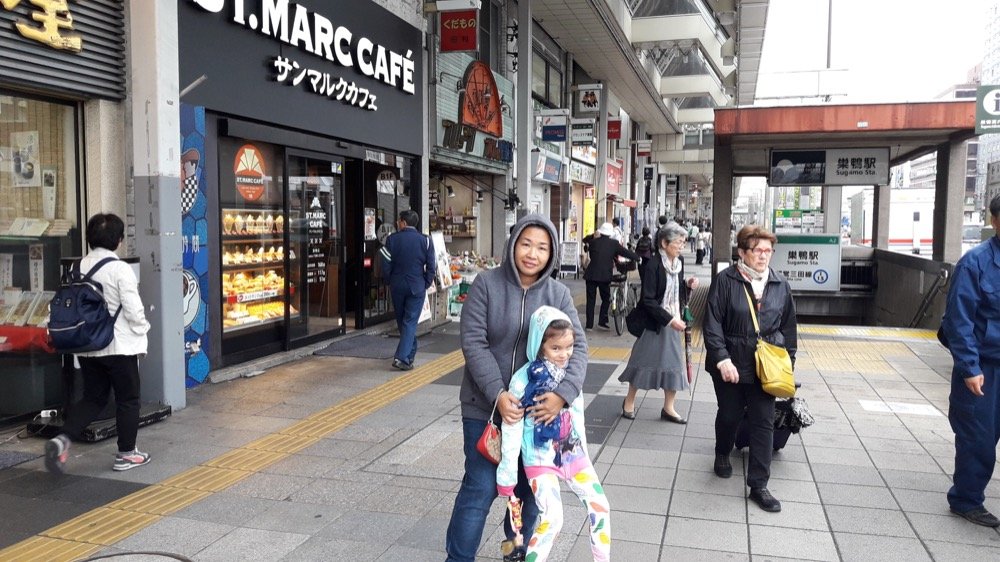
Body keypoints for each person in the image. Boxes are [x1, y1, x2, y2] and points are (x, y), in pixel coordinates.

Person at [446, 214, 588, 562]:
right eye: (526, 244)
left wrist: (561, 395)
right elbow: (473, 343)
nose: (532, 253)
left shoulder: (558, 294)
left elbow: (579, 347)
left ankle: (516, 553)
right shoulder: (486, 284)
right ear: (513, 244)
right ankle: (458, 558)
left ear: (551, 253)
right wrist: (498, 393)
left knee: (526, 493)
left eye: (542, 247)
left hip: (537, 415)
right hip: (486, 408)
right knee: (479, 487)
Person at [498, 306, 610, 561]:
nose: (564, 354)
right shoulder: (523, 379)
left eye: (569, 346)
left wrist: (584, 450)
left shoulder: (570, 376)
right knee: (553, 519)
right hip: (539, 459)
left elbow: (577, 416)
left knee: (600, 507)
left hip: (572, 453)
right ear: (540, 346)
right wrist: (507, 474)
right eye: (556, 348)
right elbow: (512, 427)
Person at [45, 213, 152, 474]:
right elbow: (133, 310)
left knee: (94, 398)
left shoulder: (77, 267)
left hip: (89, 346)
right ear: (118, 240)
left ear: (89, 239)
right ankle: (127, 454)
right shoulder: (119, 269)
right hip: (120, 347)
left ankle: (62, 439)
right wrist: (143, 330)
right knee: (128, 399)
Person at [703, 225, 797, 513]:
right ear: (742, 252)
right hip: (730, 364)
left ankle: (759, 485)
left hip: (765, 368)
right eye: (758, 250)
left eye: (768, 250)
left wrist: (786, 363)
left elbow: (789, 327)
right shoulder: (725, 280)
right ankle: (722, 453)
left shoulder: (780, 284)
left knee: (763, 423)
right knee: (730, 414)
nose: (764, 256)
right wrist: (721, 358)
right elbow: (713, 323)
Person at [942, 194, 1000, 527]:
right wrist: (970, 367)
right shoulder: (975, 263)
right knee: (978, 436)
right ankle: (966, 499)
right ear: (994, 220)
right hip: (984, 367)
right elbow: (958, 321)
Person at [619, 222, 699, 423]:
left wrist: (687, 284)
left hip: (673, 320)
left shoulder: (679, 261)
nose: (681, 246)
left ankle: (668, 407)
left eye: (683, 242)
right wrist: (669, 319)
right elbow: (648, 300)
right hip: (655, 322)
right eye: (678, 242)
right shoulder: (653, 264)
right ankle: (629, 401)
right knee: (641, 360)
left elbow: (675, 287)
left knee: (674, 364)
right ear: (664, 243)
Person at [379, 209, 436, 371]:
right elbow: (432, 266)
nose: (397, 223)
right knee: (409, 322)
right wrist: (425, 282)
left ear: (403, 222)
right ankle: (403, 357)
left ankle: (407, 356)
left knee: (403, 321)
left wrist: (390, 280)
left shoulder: (392, 240)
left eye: (398, 221)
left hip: (397, 286)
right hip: (416, 286)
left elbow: (385, 263)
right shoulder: (425, 241)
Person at [582, 222, 639, 330]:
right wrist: (637, 257)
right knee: (605, 299)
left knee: (590, 300)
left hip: (591, 274)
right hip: (604, 276)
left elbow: (585, 239)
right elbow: (625, 252)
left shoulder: (593, 242)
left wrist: (594, 235)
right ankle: (602, 322)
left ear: (601, 232)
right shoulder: (614, 243)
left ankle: (589, 325)